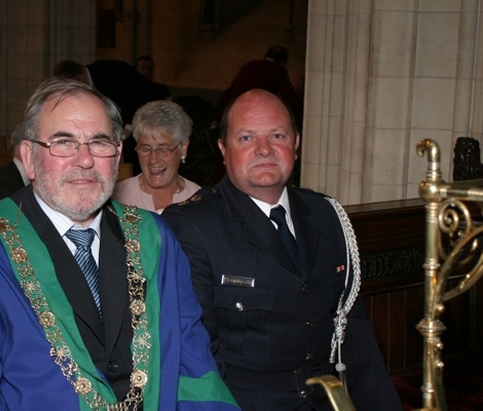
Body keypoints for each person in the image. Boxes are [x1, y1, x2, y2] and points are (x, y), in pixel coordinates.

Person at [0, 77, 240, 410]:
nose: (84, 159)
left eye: (99, 142)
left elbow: (193, 371)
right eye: (63, 142)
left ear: (117, 155)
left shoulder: (154, 240)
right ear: (28, 157)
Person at [162, 89, 402, 410]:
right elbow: (194, 355)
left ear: (296, 144)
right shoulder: (192, 226)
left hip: (326, 399)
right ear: (223, 149)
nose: (264, 149)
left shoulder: (326, 214)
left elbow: (352, 331)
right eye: (246, 138)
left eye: (277, 135)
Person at [53, 59, 169, 176]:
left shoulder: (108, 72)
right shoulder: (94, 76)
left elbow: (134, 97)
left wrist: (127, 129)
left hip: (152, 111)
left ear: (77, 78)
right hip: (133, 116)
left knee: (139, 157)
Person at [212, 44, 304, 185]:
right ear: (284, 62)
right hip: (249, 116)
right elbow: (289, 95)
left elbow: (229, 91)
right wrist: (301, 115)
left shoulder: (249, 66)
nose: (265, 149)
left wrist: (218, 117)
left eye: (277, 136)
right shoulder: (277, 70)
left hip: (234, 115)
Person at [113, 100, 200, 214]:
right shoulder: (116, 198)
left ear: (183, 148)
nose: (153, 160)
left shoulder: (199, 200)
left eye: (163, 149)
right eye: (145, 149)